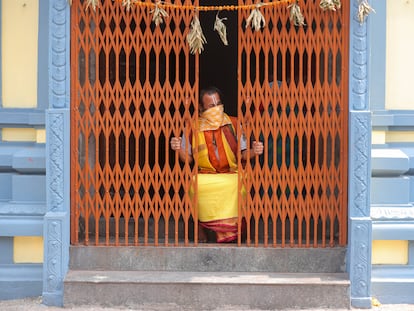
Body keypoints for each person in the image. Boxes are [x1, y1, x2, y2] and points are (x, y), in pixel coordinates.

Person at [170, 87, 264, 243]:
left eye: (218, 104)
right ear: (201, 108)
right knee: (195, 183)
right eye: (211, 106)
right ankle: (201, 230)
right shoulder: (192, 127)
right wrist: (178, 148)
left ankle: (237, 232)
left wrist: (255, 151)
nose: (216, 109)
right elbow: (188, 160)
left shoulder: (234, 123)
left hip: (231, 172)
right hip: (205, 174)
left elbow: (243, 154)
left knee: (240, 183)